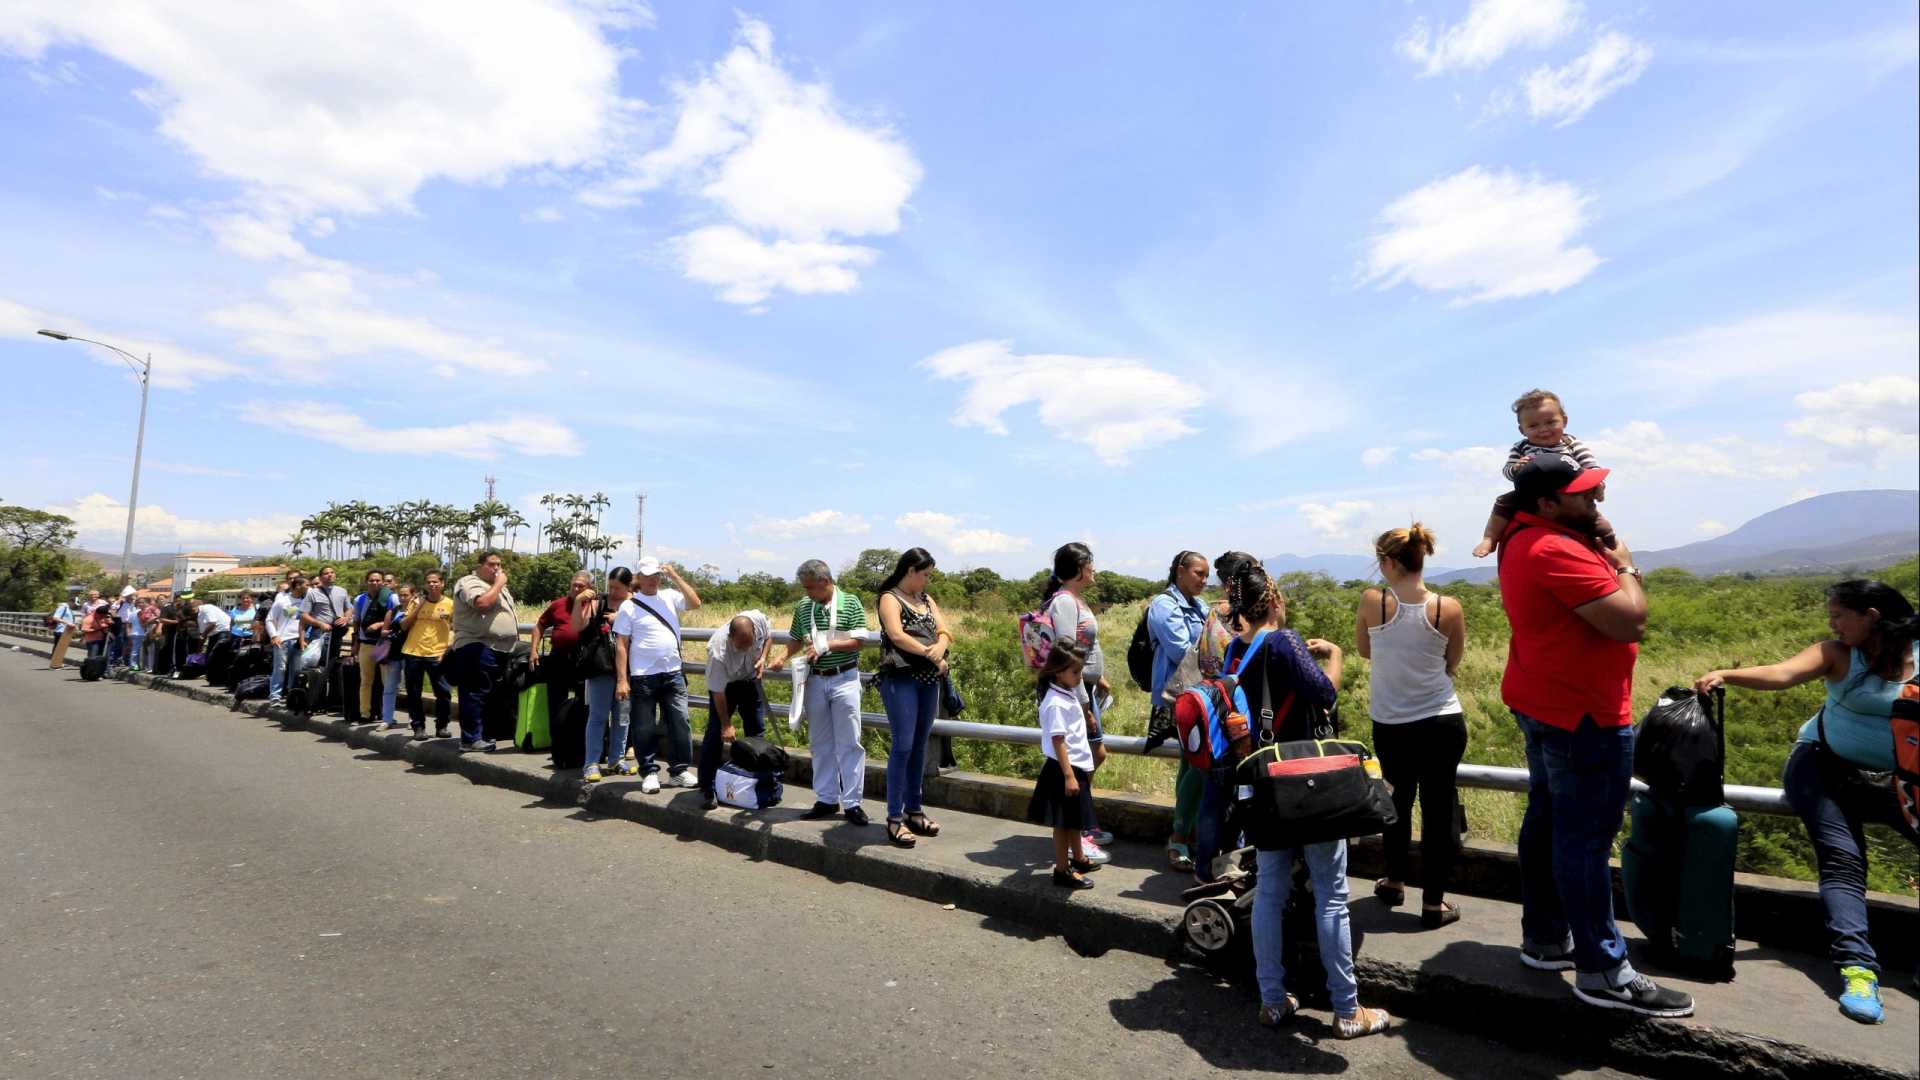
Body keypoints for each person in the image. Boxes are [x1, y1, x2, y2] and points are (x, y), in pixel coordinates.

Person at [1498, 451, 1692, 1017]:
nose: (1596, 500)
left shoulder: (1523, 537)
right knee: (1583, 841)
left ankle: (1544, 938)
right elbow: (1629, 618)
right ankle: (1603, 969)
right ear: (1547, 504)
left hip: (1542, 701)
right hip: (1583, 714)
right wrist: (1626, 565)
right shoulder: (1553, 548)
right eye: (1583, 494)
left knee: (1549, 820)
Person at [1695, 580, 1919, 1025]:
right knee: (1843, 859)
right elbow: (1783, 673)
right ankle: (1857, 969)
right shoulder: (1838, 653)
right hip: (1821, 767)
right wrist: (1728, 675)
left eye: (1839, 615)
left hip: (1899, 778)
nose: (1831, 623)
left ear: (1872, 615)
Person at [1221, 562, 1390, 1039]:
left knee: (1270, 892)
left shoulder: (1236, 648)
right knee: (1331, 895)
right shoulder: (1282, 640)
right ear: (1274, 601)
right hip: (1310, 782)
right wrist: (1333, 653)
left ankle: (1272, 1000)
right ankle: (1346, 1009)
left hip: (1267, 781)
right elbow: (1325, 693)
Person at [1356, 523, 1467, 928]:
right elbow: (1452, 662)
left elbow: (1365, 650)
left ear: (1388, 562)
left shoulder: (1373, 601)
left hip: (1392, 722)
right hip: (1442, 719)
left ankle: (1394, 881)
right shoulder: (1448, 607)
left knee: (1396, 803)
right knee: (1439, 811)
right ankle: (1434, 904)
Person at [770, 559, 871, 825]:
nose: (807, 593)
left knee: (850, 743)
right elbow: (795, 638)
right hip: (815, 680)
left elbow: (859, 641)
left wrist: (826, 645)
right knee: (820, 743)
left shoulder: (851, 602)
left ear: (825, 582)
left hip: (844, 678)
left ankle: (852, 803)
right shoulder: (804, 606)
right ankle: (826, 799)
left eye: (810, 588)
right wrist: (781, 656)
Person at [1472, 388, 1614, 558]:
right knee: (1503, 503)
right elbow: (1507, 471)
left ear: (1565, 421)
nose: (1543, 429)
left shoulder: (1570, 442)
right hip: (1532, 494)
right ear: (1522, 430)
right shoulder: (1521, 447)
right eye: (1533, 426)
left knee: (1600, 524)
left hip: (1571, 493)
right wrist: (1517, 468)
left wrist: (1597, 485)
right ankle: (1490, 538)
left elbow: (1590, 465)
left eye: (1550, 422)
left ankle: (1611, 547)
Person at [1041, 543, 1114, 860]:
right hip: (1073, 693)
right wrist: (1084, 707)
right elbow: (1067, 654)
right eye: (1091, 564)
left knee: (1089, 756)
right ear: (1080, 567)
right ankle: (1078, 830)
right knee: (1088, 757)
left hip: (1083, 687)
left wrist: (1098, 676)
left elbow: (1082, 648)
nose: (1095, 569)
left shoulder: (1073, 599)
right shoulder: (1065, 602)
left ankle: (1082, 826)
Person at [875, 549, 953, 845]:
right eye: (925, 574)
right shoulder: (889, 598)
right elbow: (896, 635)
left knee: (920, 746)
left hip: (928, 680)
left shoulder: (926, 599)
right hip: (901, 679)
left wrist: (941, 643)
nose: (927, 580)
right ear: (910, 570)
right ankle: (894, 817)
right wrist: (931, 654)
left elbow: (944, 629)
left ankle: (914, 810)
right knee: (903, 746)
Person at [1145, 550, 1211, 871]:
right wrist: (1216, 633)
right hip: (1177, 697)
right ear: (1180, 571)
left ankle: (1187, 832)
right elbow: (1182, 648)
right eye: (1198, 573)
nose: (1203, 580)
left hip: (1201, 696)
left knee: (1192, 764)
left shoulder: (1201, 606)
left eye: (1206, 575)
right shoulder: (1164, 605)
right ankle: (1180, 836)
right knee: (1197, 765)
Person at [613, 557, 702, 792]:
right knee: (644, 726)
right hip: (643, 675)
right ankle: (649, 771)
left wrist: (676, 576)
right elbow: (621, 644)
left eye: (656, 576)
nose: (652, 580)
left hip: (672, 672)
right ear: (638, 578)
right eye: (647, 576)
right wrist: (622, 679)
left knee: (680, 721)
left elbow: (695, 603)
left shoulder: (670, 597)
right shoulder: (629, 606)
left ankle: (680, 770)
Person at [1031, 638, 1099, 889]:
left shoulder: (1065, 693)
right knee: (1063, 824)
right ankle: (1062, 869)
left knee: (1074, 819)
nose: (1080, 676)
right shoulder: (1056, 702)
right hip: (1064, 770)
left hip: (1073, 768)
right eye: (1075, 672)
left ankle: (1078, 858)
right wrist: (1069, 775)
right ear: (1058, 672)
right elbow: (1058, 740)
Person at [697, 609, 773, 808]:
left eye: (750, 643)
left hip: (749, 681)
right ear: (731, 638)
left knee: (757, 733)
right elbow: (718, 692)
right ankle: (708, 787)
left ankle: (758, 784)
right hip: (726, 688)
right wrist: (726, 724)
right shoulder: (718, 651)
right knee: (715, 734)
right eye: (741, 645)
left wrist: (763, 657)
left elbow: (769, 638)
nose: (747, 648)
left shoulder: (758, 621)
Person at [449, 552, 518, 752]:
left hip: (498, 648)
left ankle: (485, 734)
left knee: (490, 694)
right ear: (480, 566)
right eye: (491, 564)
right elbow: (482, 604)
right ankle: (470, 739)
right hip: (476, 645)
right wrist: (499, 584)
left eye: (499, 564)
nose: (496, 568)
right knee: (474, 692)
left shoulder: (497, 587)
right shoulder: (469, 582)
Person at [580, 568, 635, 781]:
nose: (612, 592)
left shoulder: (637, 605)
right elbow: (580, 626)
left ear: (628, 587)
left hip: (629, 670)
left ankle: (616, 759)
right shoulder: (599, 602)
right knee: (598, 717)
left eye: (617, 588)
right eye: (610, 586)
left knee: (622, 717)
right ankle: (591, 762)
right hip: (601, 667)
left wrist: (620, 618)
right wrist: (580, 603)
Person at [532, 572, 593, 752]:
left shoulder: (593, 606)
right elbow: (540, 625)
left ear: (589, 588)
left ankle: (580, 743)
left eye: (580, 586)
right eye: (573, 585)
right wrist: (533, 650)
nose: (575, 589)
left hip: (583, 659)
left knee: (584, 700)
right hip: (558, 657)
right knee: (556, 700)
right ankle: (557, 743)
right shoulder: (558, 604)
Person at [401, 571, 455, 739]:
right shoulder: (416, 602)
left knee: (444, 692)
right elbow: (403, 625)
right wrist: (419, 606)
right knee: (414, 693)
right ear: (425, 585)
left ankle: (442, 726)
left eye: (435, 582)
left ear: (442, 584)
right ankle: (418, 727)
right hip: (413, 652)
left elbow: (455, 628)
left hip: (437, 654)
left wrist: (447, 649)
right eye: (429, 582)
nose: (432, 585)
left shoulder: (450, 604)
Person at [299, 566, 352, 709]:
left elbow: (349, 608)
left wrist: (346, 618)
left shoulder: (342, 591)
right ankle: (316, 701)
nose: (329, 575)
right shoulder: (313, 593)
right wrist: (319, 623)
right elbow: (304, 615)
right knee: (319, 667)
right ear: (321, 577)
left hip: (337, 632)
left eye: (332, 572)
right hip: (320, 633)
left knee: (333, 665)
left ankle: (334, 701)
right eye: (326, 573)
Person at [351, 571, 396, 723]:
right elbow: (356, 621)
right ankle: (365, 713)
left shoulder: (391, 598)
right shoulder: (360, 599)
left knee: (387, 682)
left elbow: (398, 618)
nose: (375, 583)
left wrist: (379, 624)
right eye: (371, 580)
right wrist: (355, 642)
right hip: (365, 644)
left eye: (378, 580)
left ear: (383, 582)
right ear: (366, 581)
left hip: (383, 645)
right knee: (365, 681)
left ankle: (386, 715)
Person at [266, 574, 307, 706]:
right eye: (306, 585)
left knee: (296, 670)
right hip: (282, 640)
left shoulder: (306, 602)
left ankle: (291, 696)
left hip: (298, 640)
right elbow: (270, 619)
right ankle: (275, 696)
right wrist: (274, 635)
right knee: (280, 669)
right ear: (298, 586)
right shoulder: (282, 601)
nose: (308, 588)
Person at [377, 585, 412, 729]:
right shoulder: (393, 611)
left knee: (412, 687)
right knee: (390, 687)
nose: (403, 598)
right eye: (401, 595)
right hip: (394, 653)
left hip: (410, 652)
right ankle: (387, 719)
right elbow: (383, 632)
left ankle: (413, 719)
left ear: (412, 595)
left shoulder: (415, 611)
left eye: (406, 595)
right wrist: (388, 632)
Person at [120, 588, 145, 672]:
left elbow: (128, 623)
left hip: (138, 633)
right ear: (137, 604)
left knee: (136, 650)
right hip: (138, 633)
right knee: (135, 650)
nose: (142, 604)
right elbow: (129, 623)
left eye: (143, 603)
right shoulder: (137, 612)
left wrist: (129, 632)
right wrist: (128, 632)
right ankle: (134, 665)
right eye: (140, 603)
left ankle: (137, 665)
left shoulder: (134, 611)